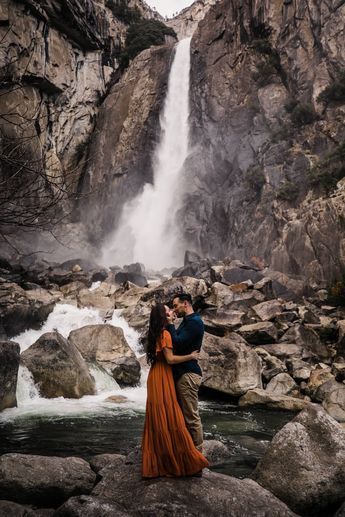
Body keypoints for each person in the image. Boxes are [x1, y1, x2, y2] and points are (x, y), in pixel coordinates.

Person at [142, 303, 209, 478]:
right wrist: (191, 356)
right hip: (162, 376)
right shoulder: (165, 333)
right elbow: (170, 359)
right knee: (169, 416)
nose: (172, 311)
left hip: (158, 375)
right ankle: (173, 459)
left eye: (171, 308)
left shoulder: (160, 332)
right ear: (163, 316)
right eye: (168, 310)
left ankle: (161, 458)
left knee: (161, 417)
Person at [167, 293, 205, 452]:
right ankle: (188, 451)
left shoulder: (195, 322)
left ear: (186, 303)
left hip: (188, 374)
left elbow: (178, 342)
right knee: (184, 415)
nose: (175, 309)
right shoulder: (187, 321)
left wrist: (169, 324)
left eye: (176, 305)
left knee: (191, 416)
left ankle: (198, 454)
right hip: (184, 373)